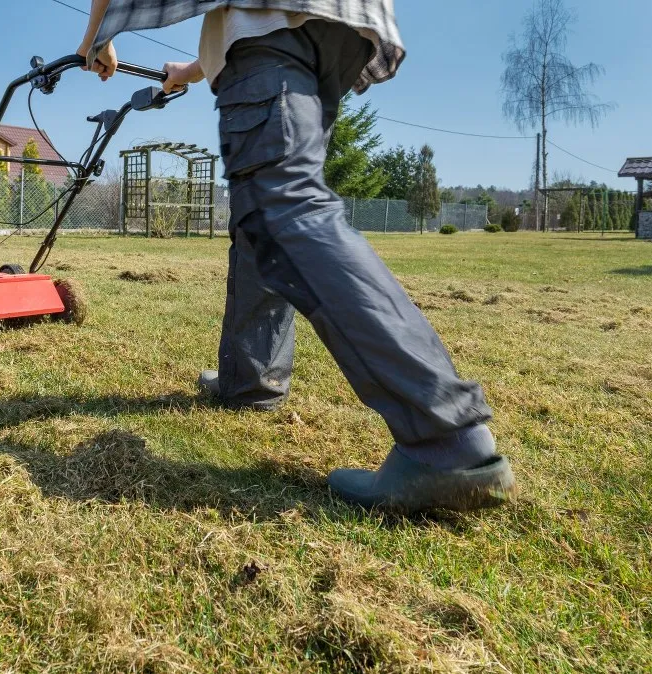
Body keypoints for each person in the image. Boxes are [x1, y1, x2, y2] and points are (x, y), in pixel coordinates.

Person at [76, 0, 516, 513]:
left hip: (271, 33)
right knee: (261, 215)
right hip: (333, 32)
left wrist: (96, 39)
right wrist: (194, 69)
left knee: (282, 206)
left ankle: (446, 435)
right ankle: (251, 377)